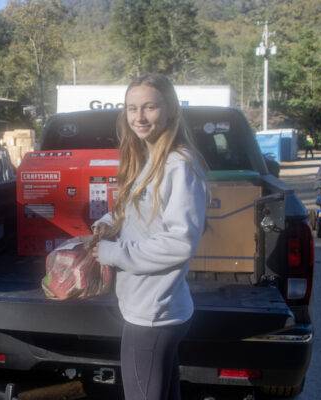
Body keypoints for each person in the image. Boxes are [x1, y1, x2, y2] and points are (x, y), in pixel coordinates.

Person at [91, 73, 207, 400]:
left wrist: (112, 253)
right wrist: (107, 221)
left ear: (170, 109)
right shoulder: (151, 158)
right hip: (152, 306)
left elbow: (179, 243)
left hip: (154, 314)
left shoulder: (178, 165)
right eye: (131, 109)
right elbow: (136, 211)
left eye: (149, 107)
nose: (139, 117)